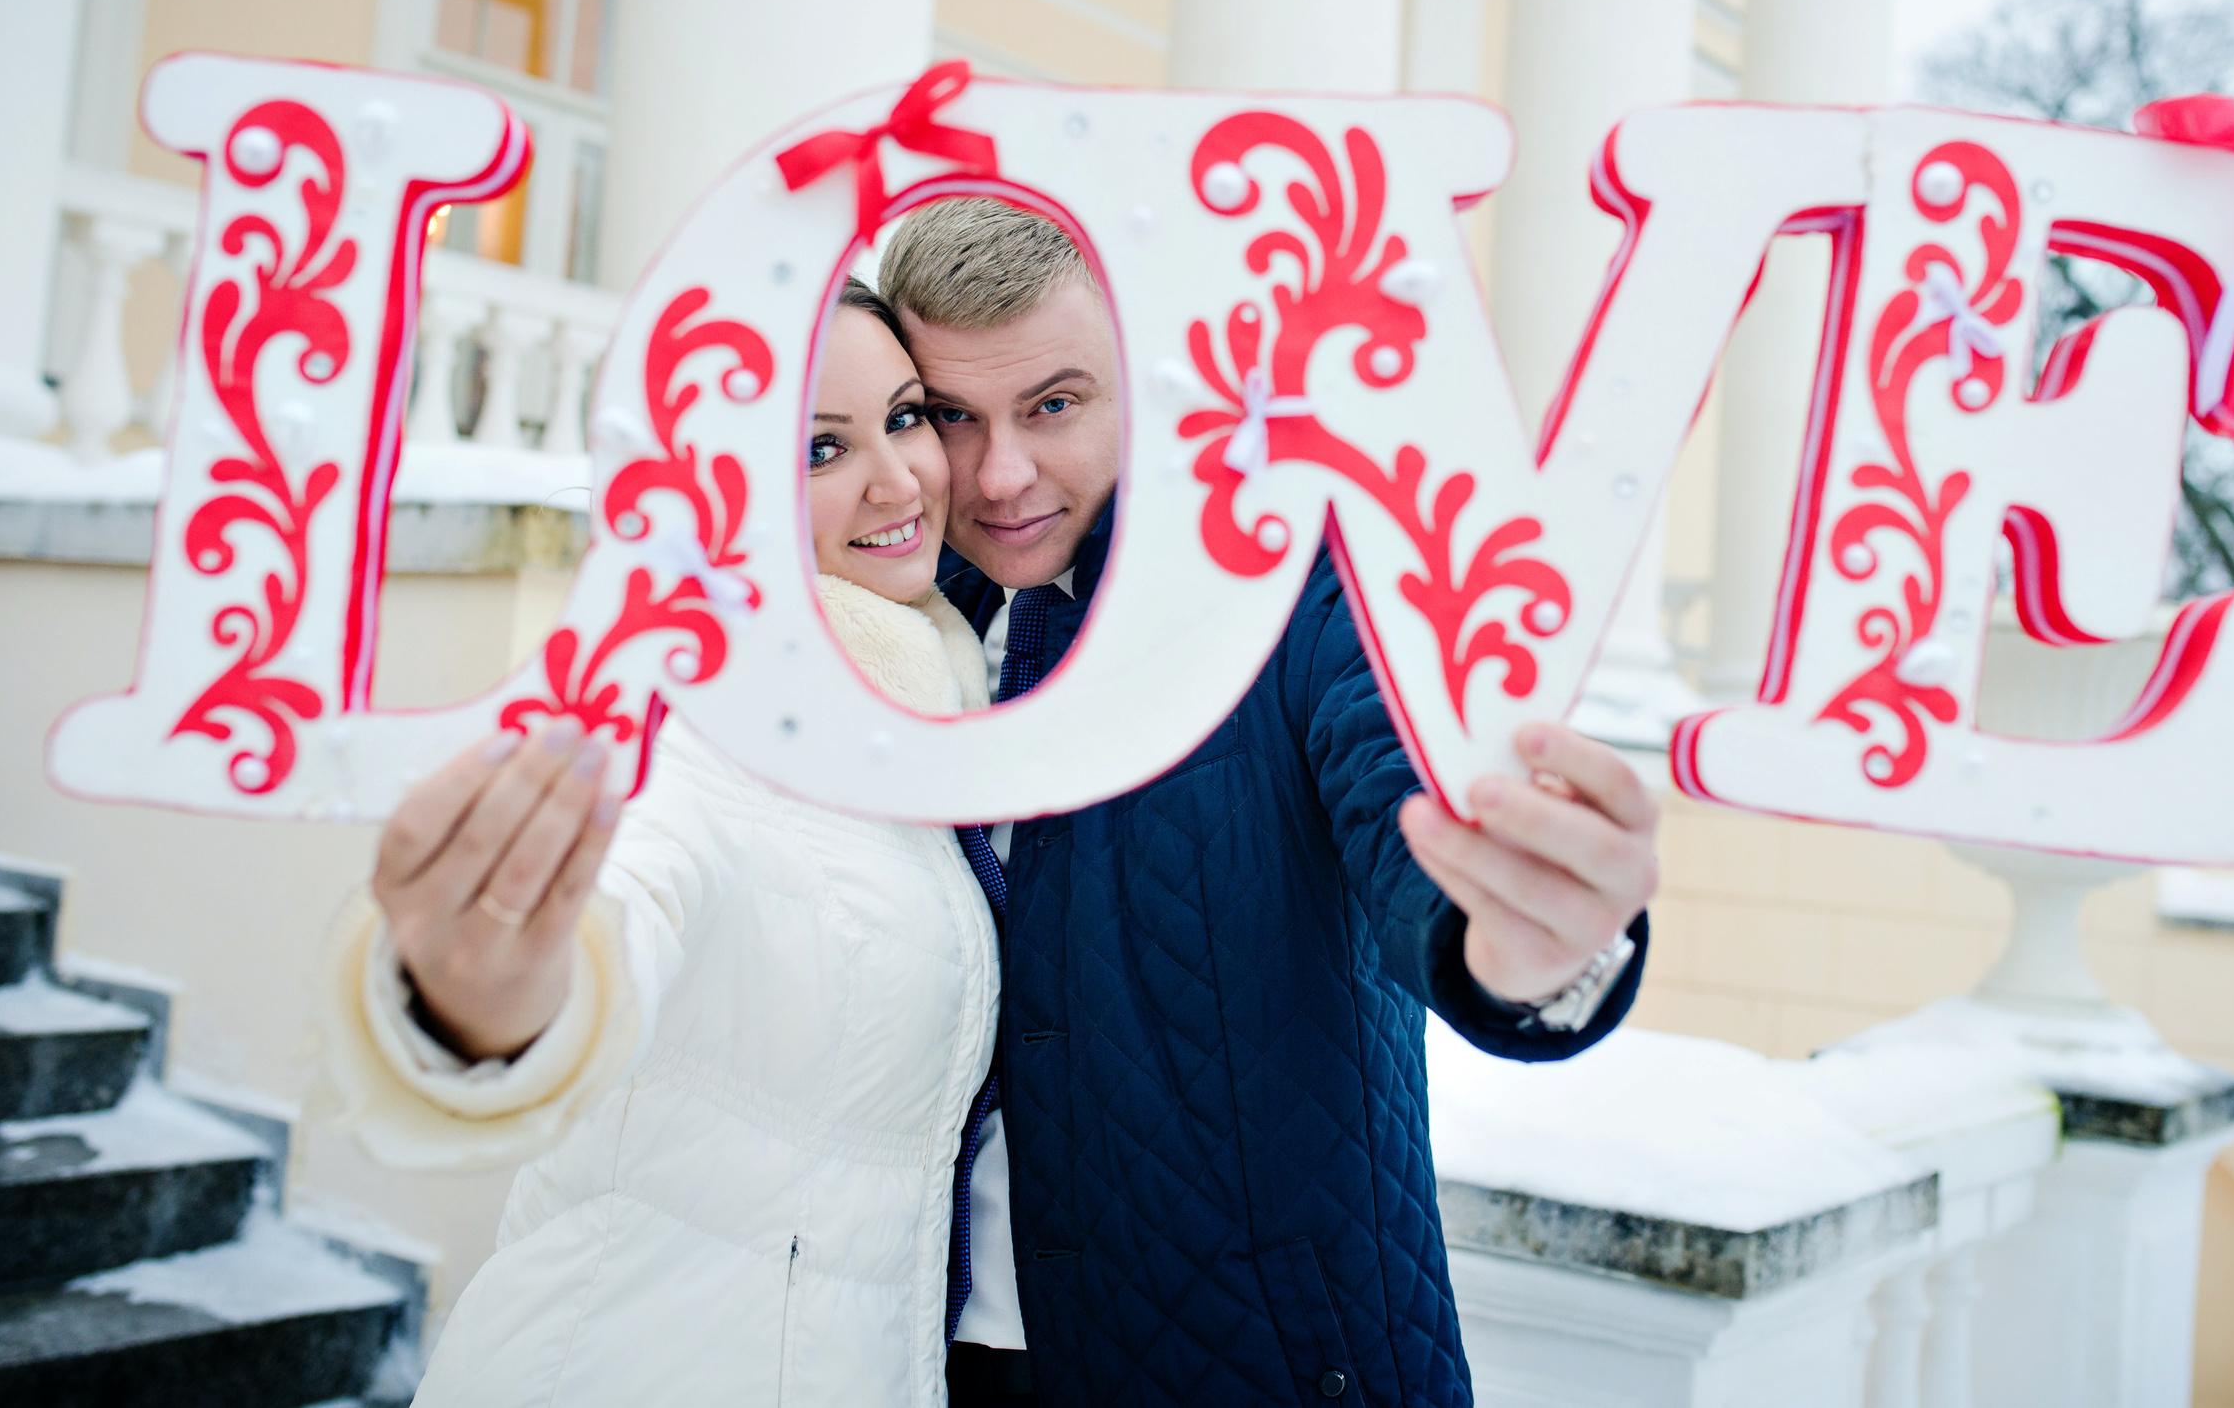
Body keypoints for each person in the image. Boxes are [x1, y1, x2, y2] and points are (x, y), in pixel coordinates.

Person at [876, 198, 1662, 1408]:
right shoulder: (888, 630)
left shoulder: (1308, 587)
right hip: (929, 1361)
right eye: (951, 417)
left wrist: (1534, 941)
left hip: (1270, 1361)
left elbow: (1412, 809)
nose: (1002, 473)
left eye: (1053, 404)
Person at [313, 283, 1003, 1406]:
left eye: (909, 415)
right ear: (712, 493)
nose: (899, 478)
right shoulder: (679, 726)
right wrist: (482, 1000)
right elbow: (611, 918)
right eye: (822, 447)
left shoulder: (915, 719)